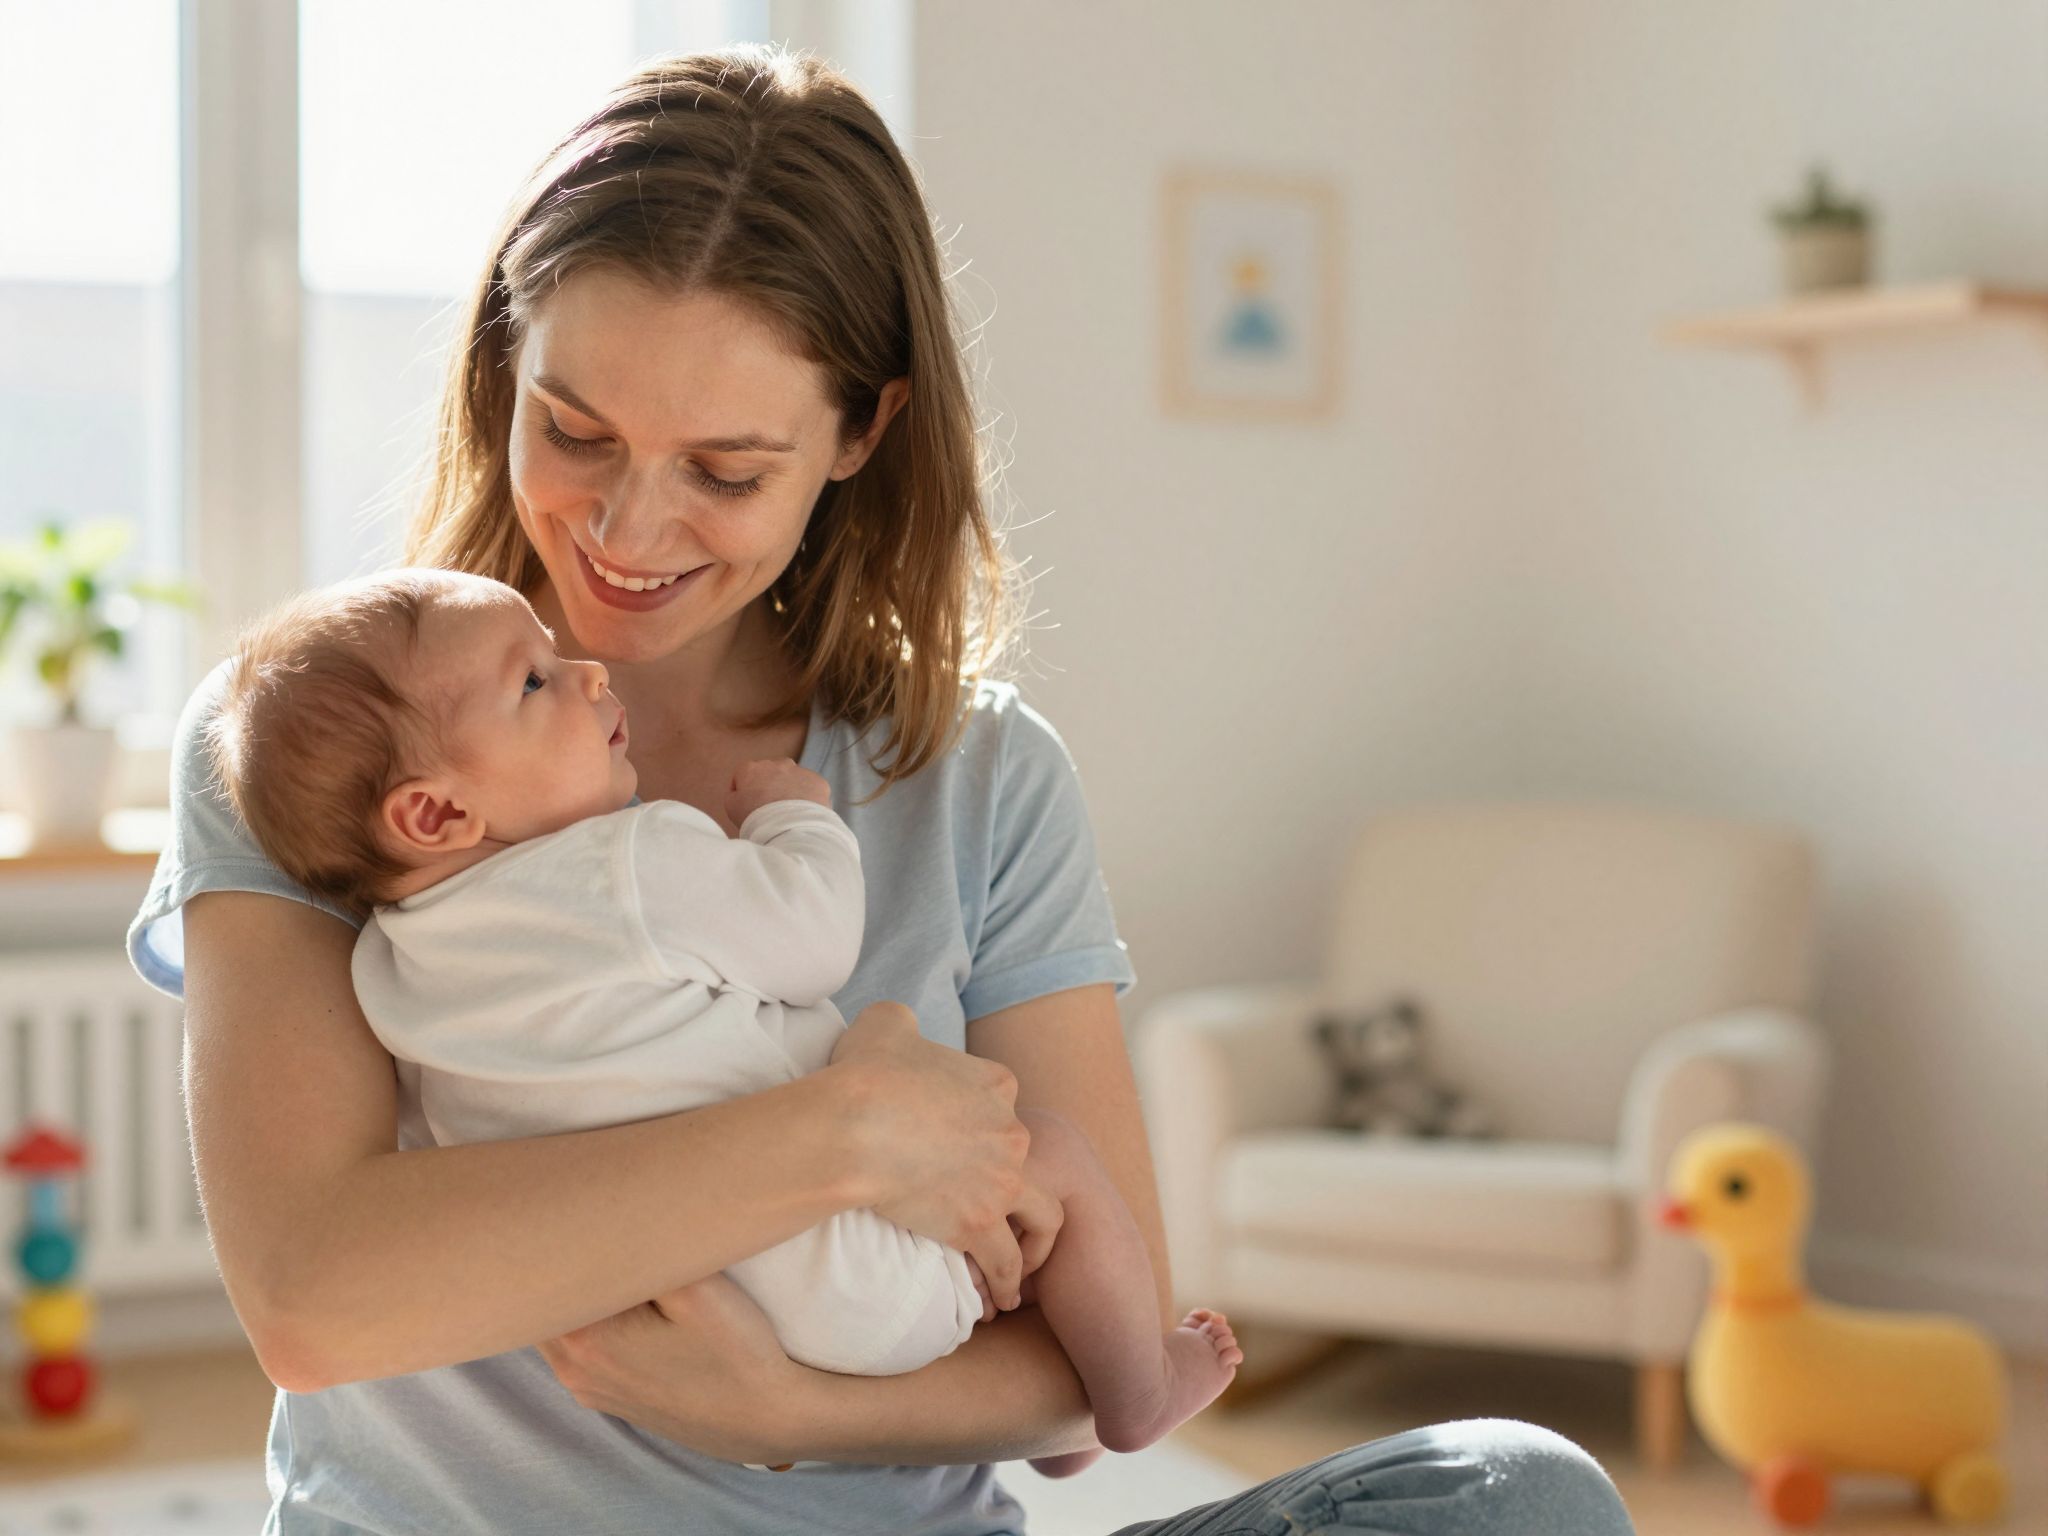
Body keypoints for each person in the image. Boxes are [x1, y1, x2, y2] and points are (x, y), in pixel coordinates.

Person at [128, 44, 1637, 1535]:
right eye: (574, 432)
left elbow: (1076, 1370)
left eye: (724, 469)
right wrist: (844, 1138)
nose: (627, 527)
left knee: (1520, 1498)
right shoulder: (317, 752)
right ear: (501, 374)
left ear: (861, 433)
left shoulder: (977, 777)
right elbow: (316, 1300)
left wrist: (790, 1418)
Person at [202, 567, 1243, 1470]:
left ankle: (1062, 1423)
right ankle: (1136, 1395)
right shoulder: (628, 862)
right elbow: (814, 936)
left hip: (698, 1299)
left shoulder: (392, 960)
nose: (585, 676)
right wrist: (795, 815)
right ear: (434, 811)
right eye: (533, 682)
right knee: (1043, 1153)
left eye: (726, 469)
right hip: (846, 1276)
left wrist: (789, 1408)